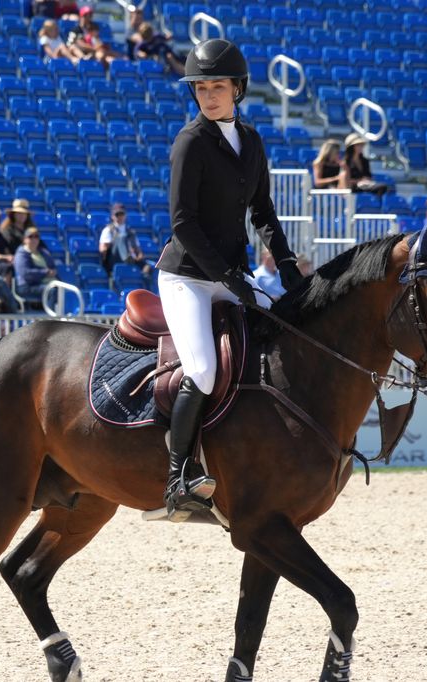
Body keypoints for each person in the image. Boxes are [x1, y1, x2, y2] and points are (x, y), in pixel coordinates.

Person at [157, 39, 303, 519]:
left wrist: (286, 268)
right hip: (187, 279)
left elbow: (263, 213)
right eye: (201, 86)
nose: (208, 94)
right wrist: (228, 278)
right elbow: (183, 223)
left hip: (230, 274)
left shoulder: (252, 141)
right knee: (202, 369)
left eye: (217, 85)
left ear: (237, 89)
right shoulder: (191, 142)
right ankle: (177, 478)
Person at [99, 203, 150, 277]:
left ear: (125, 215)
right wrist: (114, 240)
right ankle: (127, 259)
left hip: (131, 258)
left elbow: (138, 250)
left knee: (148, 266)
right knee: (120, 238)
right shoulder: (108, 230)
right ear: (112, 216)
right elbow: (102, 250)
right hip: (114, 259)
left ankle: (142, 278)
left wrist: (139, 256)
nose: (119, 217)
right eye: (117, 214)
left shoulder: (130, 232)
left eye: (121, 214)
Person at [14, 227, 57, 301]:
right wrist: (45, 272)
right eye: (30, 237)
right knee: (52, 290)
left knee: (63, 288)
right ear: (25, 239)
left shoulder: (44, 252)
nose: (34, 239)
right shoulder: (21, 254)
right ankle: (51, 312)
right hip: (28, 285)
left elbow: (52, 267)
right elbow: (25, 273)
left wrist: (52, 272)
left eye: (36, 236)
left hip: (46, 282)